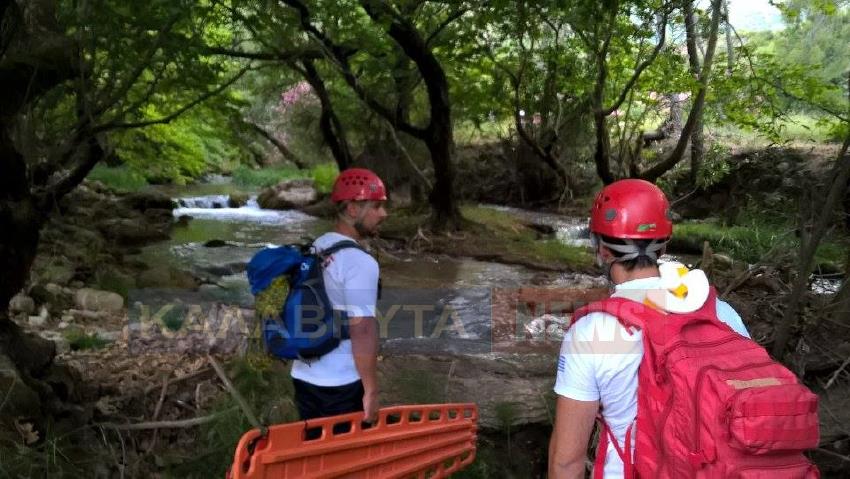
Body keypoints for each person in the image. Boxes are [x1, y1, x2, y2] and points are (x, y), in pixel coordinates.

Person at [548, 179, 751, 478]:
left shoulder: (589, 333)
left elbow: (566, 463)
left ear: (602, 250)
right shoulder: (723, 313)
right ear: (664, 245)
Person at [290, 168, 388, 424]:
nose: (383, 214)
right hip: (341, 383)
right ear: (353, 209)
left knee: (314, 444)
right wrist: (371, 390)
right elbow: (362, 329)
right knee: (347, 448)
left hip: (303, 375)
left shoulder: (316, 246)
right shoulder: (359, 262)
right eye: (376, 206)